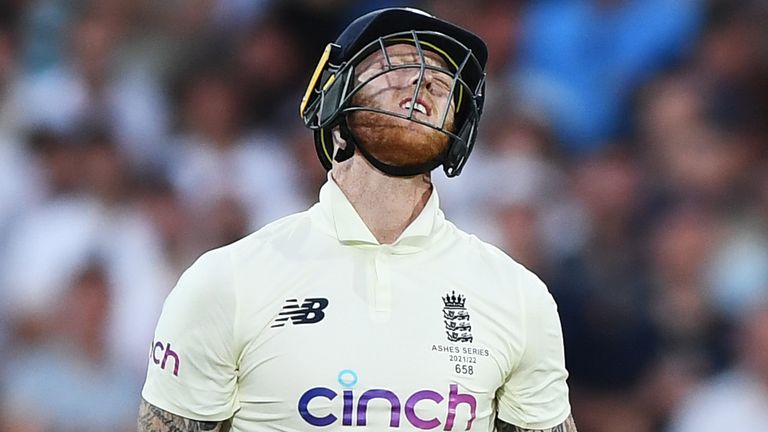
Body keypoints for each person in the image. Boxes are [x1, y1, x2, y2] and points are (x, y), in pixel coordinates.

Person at [139, 8, 575, 432]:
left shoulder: (519, 298)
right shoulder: (227, 281)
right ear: (334, 97)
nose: (420, 84)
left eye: (442, 80)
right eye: (394, 67)